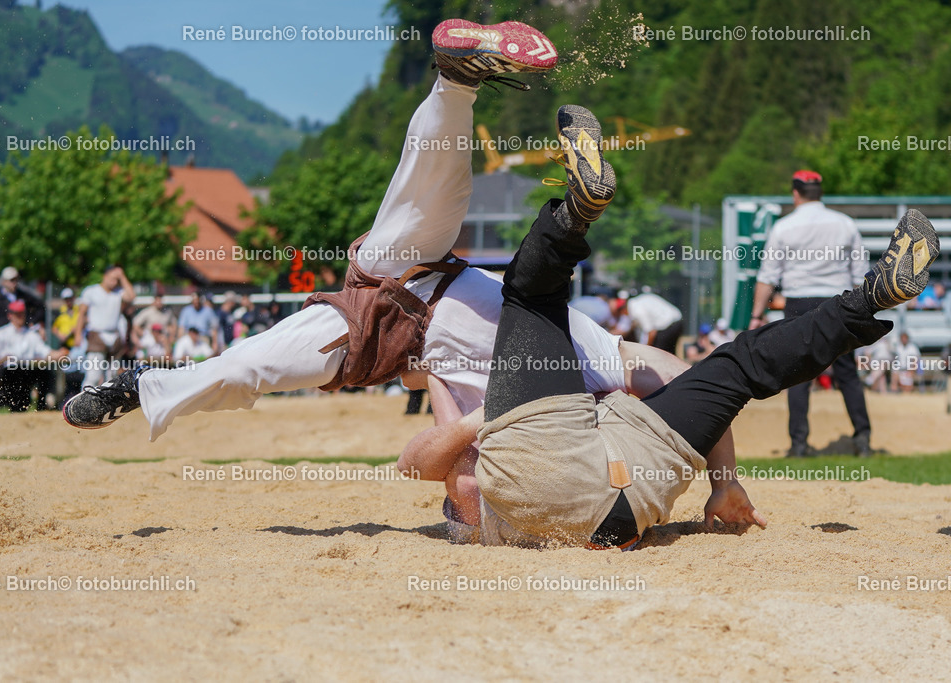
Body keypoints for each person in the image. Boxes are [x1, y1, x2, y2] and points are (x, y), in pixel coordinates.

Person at [62, 20, 688, 441]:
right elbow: (650, 367)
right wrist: (704, 437)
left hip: (373, 324)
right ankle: (459, 81)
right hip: (427, 288)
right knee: (431, 198)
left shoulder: (557, 408)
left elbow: (445, 426)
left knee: (245, 364)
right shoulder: (583, 371)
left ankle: (137, 385)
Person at [398, 106, 939, 548]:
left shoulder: (450, 375)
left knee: (732, 365)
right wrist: (722, 481)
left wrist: (481, 422)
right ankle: (869, 297)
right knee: (536, 296)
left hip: (613, 502)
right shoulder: (501, 373)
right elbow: (683, 377)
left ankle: (874, 295)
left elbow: (421, 466)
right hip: (606, 468)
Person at [750, 170, 874, 457]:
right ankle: (863, 440)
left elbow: (768, 276)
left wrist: (757, 315)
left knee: (798, 375)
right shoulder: (845, 224)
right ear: (820, 192)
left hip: (798, 304)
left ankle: (799, 443)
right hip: (839, 303)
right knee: (847, 374)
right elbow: (859, 273)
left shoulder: (783, 227)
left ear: (795, 193)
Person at [0, 300, 68, 411]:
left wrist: (60, 353)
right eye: (17, 314)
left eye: (22, 313)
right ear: (10, 315)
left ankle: (44, 408)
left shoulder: (31, 335)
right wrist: (4, 359)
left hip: (27, 372)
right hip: (8, 373)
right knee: (14, 375)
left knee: (46, 373)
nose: (20, 317)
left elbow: (45, 351)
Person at [75, 265, 134, 388]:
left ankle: (107, 405)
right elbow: (82, 313)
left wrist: (122, 276)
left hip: (114, 337)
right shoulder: (91, 291)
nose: (114, 282)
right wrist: (78, 334)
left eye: (116, 280)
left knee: (112, 376)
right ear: (104, 276)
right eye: (112, 278)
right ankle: (83, 403)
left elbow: (132, 296)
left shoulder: (118, 293)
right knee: (93, 376)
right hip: (97, 336)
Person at [0, 266, 45, 337]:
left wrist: (32, 321)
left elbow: (40, 306)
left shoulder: (23, 296)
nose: (15, 283)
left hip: (20, 335)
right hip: (2, 336)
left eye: (16, 280)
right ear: (4, 282)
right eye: (12, 280)